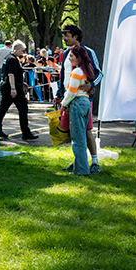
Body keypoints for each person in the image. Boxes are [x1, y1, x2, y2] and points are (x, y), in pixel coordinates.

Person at [55, 24, 103, 173]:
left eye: (67, 35)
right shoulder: (66, 54)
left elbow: (99, 73)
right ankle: (79, 162)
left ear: (76, 36)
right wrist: (59, 94)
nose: (64, 38)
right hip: (68, 98)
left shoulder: (88, 52)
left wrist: (92, 85)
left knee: (86, 131)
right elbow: (64, 76)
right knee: (74, 131)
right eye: (63, 35)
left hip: (82, 99)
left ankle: (94, 162)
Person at [61, 45, 96, 176]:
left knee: (78, 138)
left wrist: (64, 103)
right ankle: (82, 167)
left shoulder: (76, 72)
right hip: (85, 102)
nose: (69, 59)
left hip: (77, 102)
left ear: (78, 58)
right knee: (81, 136)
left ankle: (81, 170)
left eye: (72, 56)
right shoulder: (86, 70)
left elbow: (71, 91)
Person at [0, 40, 39, 140]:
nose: (23, 52)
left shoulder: (8, 57)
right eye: (21, 50)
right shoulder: (12, 59)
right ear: (16, 49)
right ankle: (25, 132)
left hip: (8, 86)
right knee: (23, 108)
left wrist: (21, 82)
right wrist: (13, 88)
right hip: (12, 87)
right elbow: (11, 74)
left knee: (2, 109)